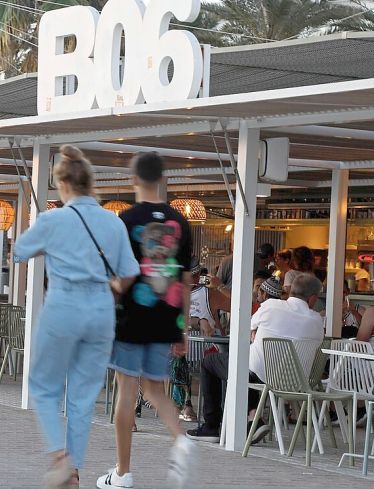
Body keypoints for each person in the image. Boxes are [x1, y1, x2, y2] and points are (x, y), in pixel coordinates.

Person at [13, 145, 139, 489]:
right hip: (100, 308)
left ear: (61, 184)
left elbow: (20, 250)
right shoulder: (112, 222)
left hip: (64, 304)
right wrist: (111, 291)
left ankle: (61, 457)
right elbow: (129, 272)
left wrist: (51, 245)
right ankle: (75, 471)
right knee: (83, 395)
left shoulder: (53, 219)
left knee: (43, 385)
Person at [96, 151, 195, 489]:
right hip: (166, 315)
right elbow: (185, 281)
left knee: (126, 391)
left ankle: (122, 473)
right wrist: (183, 329)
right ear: (162, 179)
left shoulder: (123, 220)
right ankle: (180, 438)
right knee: (155, 387)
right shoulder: (180, 224)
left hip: (130, 317)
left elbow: (118, 274)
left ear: (134, 178)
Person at [187, 273, 324, 442]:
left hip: (259, 375)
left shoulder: (272, 306)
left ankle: (212, 427)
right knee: (248, 366)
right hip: (295, 384)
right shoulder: (317, 321)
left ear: (291, 291)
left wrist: (254, 332)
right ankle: (252, 418)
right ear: (312, 299)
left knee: (212, 362)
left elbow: (246, 328)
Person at [190, 263, 231, 337]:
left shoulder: (209, 292)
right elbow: (239, 307)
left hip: (203, 346)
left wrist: (219, 286)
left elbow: (238, 307)